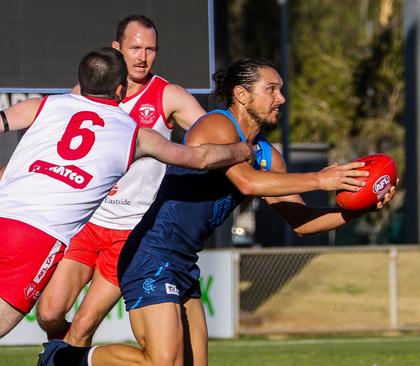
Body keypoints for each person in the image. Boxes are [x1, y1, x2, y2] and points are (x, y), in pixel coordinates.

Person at [37, 58, 396, 366]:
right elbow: (248, 183)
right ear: (242, 95)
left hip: (183, 262)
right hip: (150, 253)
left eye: (280, 90)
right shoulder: (216, 125)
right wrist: (320, 179)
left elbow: (302, 224)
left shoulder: (269, 156)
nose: (281, 98)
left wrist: (358, 208)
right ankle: (64, 357)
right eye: (271, 89)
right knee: (163, 362)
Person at [0, 47, 256, 338]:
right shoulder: (134, 134)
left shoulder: (43, 105)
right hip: (37, 237)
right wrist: (241, 149)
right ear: (121, 90)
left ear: (81, 82)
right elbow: (199, 158)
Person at [36, 14, 210, 346]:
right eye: (135, 48)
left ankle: (66, 353)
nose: (143, 57)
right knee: (49, 313)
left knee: (84, 326)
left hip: (132, 234)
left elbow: (212, 133)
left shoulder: (168, 95)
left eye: (151, 49)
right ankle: (63, 354)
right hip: (87, 223)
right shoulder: (86, 92)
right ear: (117, 48)